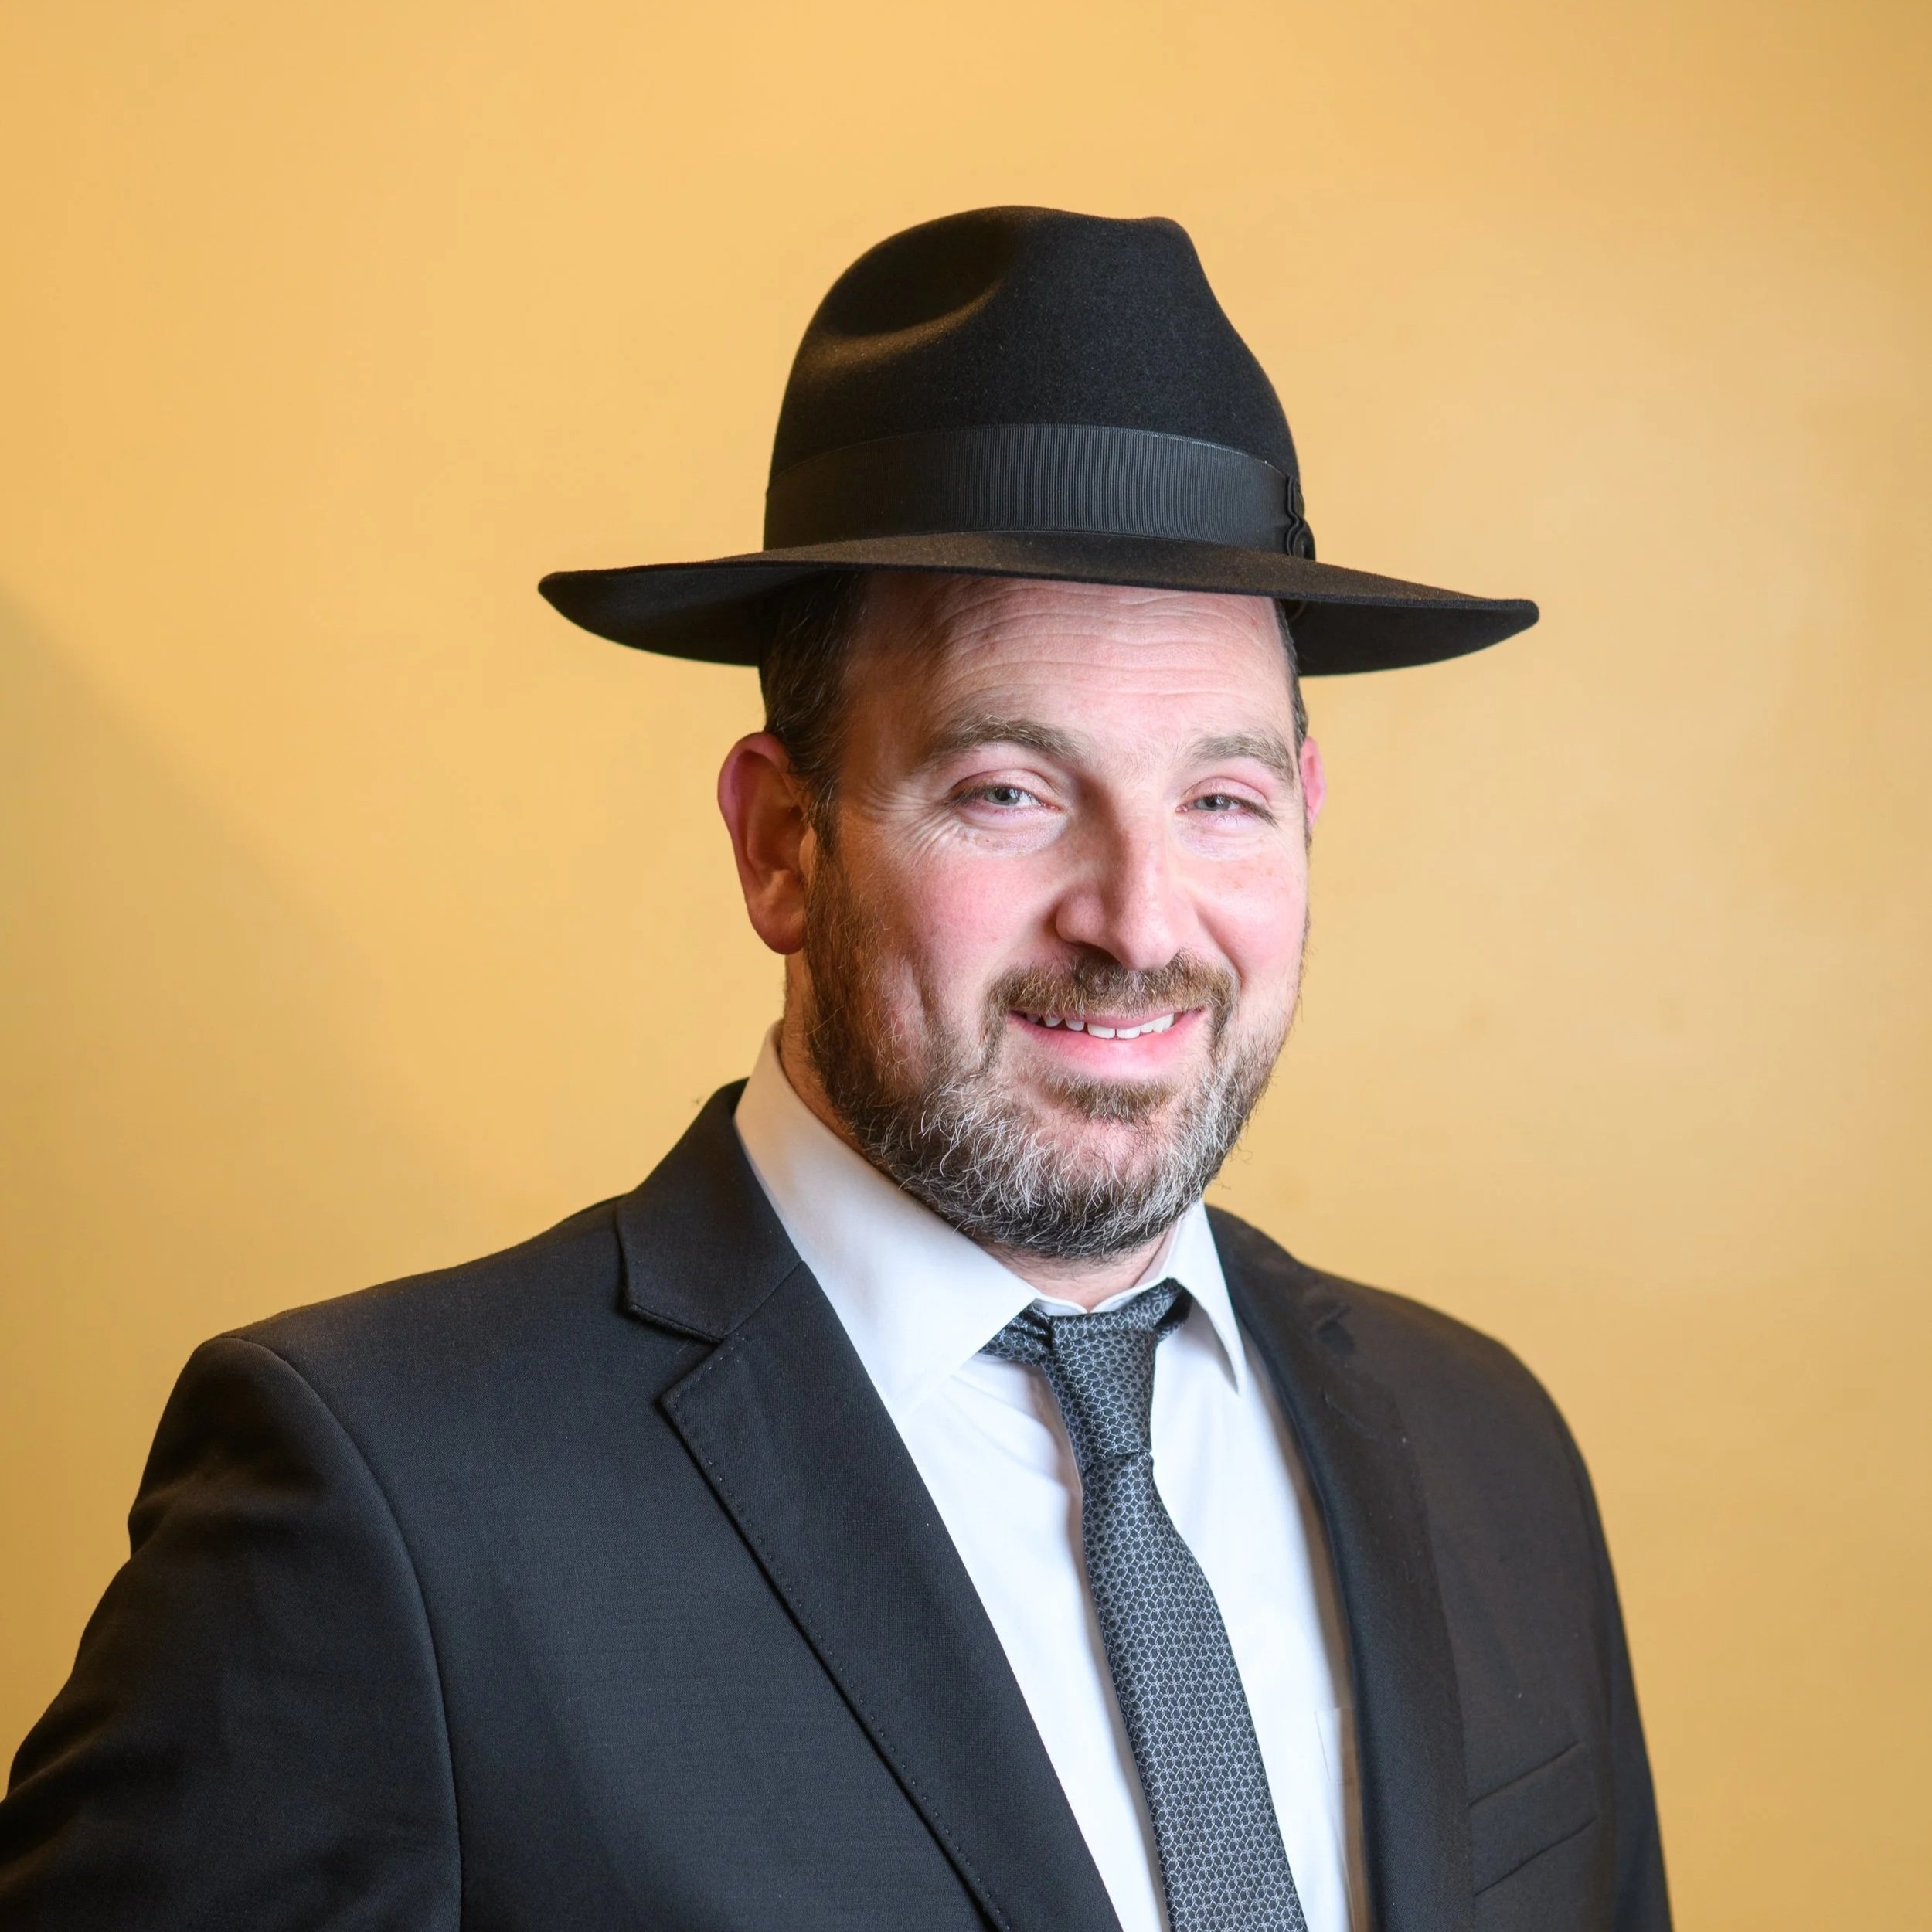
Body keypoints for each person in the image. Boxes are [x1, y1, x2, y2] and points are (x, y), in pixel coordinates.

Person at [0, 207, 1669, 1932]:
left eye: (1219, 799)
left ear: (1306, 819)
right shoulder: (386, 1509)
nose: (1137, 918)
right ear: (780, 842)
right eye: (1008, 790)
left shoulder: (1487, 1449)